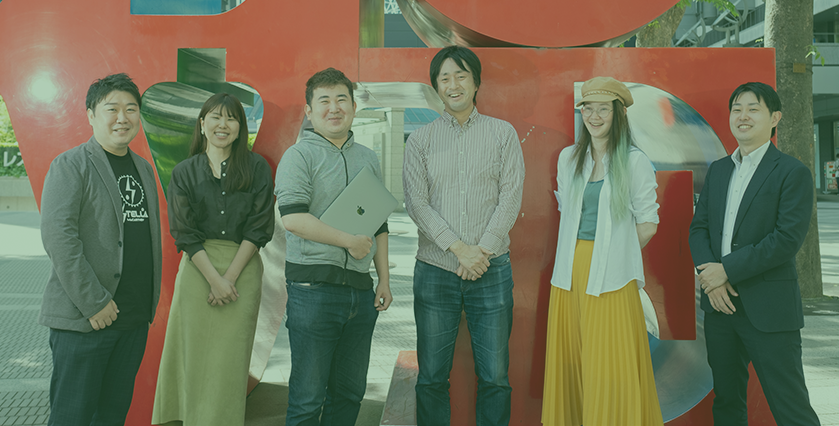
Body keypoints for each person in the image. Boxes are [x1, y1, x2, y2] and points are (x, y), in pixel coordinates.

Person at [403, 46, 525, 426]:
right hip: (435, 270)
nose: (453, 84)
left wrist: (481, 251)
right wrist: (460, 250)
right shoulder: (419, 140)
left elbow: (511, 197)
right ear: (436, 86)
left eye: (461, 76)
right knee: (431, 377)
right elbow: (416, 204)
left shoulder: (502, 133)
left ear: (475, 83)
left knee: (495, 377)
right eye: (445, 78)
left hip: (491, 269)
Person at [688, 82, 820, 426]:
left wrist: (726, 271)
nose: (743, 116)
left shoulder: (792, 172)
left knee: (790, 406)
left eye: (753, 109)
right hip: (720, 306)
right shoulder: (719, 170)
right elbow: (699, 228)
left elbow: (785, 240)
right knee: (727, 402)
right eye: (737, 109)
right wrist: (711, 277)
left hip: (769, 308)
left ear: (774, 118)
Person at [39, 73, 162, 426]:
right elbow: (59, 238)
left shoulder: (143, 168)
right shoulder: (71, 165)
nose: (122, 117)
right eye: (112, 109)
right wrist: (95, 302)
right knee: (72, 417)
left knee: (111, 415)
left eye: (131, 109)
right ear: (91, 115)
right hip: (87, 319)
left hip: (133, 317)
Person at [541, 76, 662, 426]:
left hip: (613, 275)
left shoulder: (635, 161)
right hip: (570, 272)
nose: (594, 117)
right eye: (588, 109)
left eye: (603, 109)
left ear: (619, 113)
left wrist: (614, 255)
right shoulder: (569, 158)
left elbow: (648, 223)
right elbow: (568, 214)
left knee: (611, 359)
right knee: (574, 355)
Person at [275, 68, 393, 426]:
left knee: (350, 394)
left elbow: (379, 223)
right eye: (324, 100)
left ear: (354, 107)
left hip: (360, 292)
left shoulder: (368, 158)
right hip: (313, 293)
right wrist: (348, 241)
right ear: (309, 111)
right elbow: (293, 218)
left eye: (342, 99)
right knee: (307, 400)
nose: (334, 107)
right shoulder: (299, 156)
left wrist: (384, 280)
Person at [152, 92, 275, 426]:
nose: (223, 124)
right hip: (197, 270)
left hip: (242, 269)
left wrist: (228, 279)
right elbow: (184, 232)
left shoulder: (257, 168)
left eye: (231, 118)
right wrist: (214, 279)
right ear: (202, 123)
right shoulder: (184, 171)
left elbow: (259, 228)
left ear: (240, 127)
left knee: (229, 360)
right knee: (191, 353)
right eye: (216, 117)